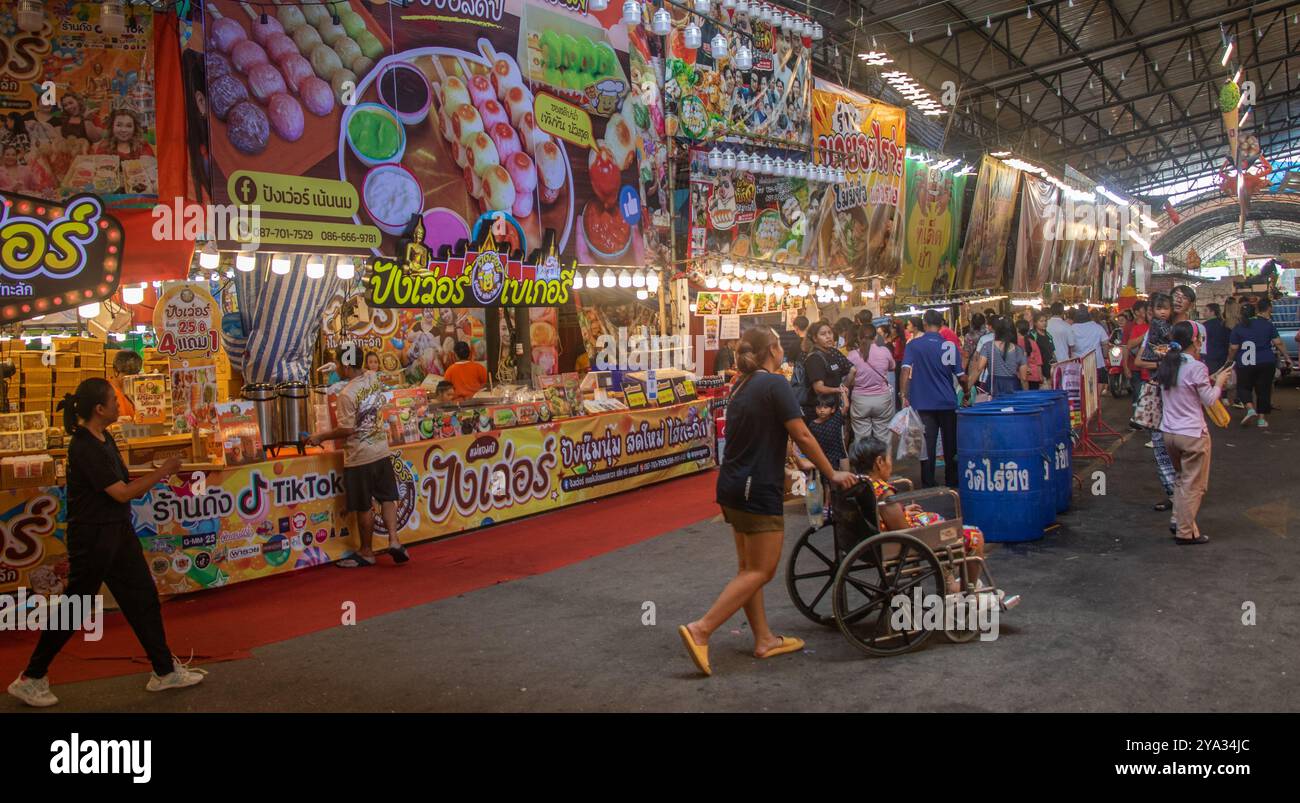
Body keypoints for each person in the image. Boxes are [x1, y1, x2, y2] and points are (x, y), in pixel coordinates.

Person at [8, 380, 207, 707]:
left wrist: (154, 470)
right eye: (115, 400)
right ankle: (31, 677)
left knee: (142, 597)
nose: (120, 404)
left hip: (118, 531)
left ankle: (164, 669)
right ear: (99, 409)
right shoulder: (83, 446)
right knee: (77, 606)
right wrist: (165, 471)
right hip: (93, 536)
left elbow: (124, 480)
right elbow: (121, 492)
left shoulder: (105, 438)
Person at [679, 327, 855, 676]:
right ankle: (701, 629)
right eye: (778, 345)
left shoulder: (742, 384)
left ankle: (763, 639)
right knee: (763, 569)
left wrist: (798, 461)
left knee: (749, 570)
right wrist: (830, 472)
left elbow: (768, 429)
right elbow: (801, 432)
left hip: (731, 485)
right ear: (773, 350)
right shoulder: (774, 383)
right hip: (755, 487)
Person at [306, 347, 410, 567]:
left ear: (345, 365)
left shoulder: (346, 395)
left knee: (364, 505)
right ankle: (394, 540)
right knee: (387, 497)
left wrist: (320, 436)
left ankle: (366, 552)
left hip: (360, 455)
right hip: (381, 448)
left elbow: (347, 429)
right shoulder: (373, 377)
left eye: (338, 364)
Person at [1157, 322, 1230, 544]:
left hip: (1169, 433)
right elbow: (1209, 399)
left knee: (1181, 479)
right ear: (1195, 341)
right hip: (1192, 434)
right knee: (1194, 485)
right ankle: (1185, 532)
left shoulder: (1168, 364)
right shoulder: (1196, 367)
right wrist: (1219, 383)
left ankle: (1178, 520)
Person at [901, 310, 967, 488]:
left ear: (924, 323)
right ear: (941, 325)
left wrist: (903, 393)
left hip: (923, 403)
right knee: (950, 443)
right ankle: (952, 479)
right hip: (947, 402)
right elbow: (960, 376)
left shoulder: (914, 345)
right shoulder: (950, 346)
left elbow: (905, 370)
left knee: (927, 445)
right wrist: (967, 392)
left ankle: (928, 481)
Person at [1226, 300, 1288, 428]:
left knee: (1243, 387)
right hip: (1266, 362)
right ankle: (1261, 420)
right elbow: (1278, 342)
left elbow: (1233, 347)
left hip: (1245, 363)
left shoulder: (1238, 327)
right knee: (1263, 390)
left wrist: (1230, 360)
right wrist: (1287, 357)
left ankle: (1250, 409)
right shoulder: (1267, 325)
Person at [847, 321, 895, 443]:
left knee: (862, 439)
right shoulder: (884, 351)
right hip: (882, 399)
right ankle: (882, 461)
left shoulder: (852, 355)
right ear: (875, 337)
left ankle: (865, 462)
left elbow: (847, 377)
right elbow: (892, 367)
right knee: (883, 437)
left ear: (859, 337)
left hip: (860, 400)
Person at [801, 320, 854, 419]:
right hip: (820, 412)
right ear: (815, 338)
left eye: (830, 333)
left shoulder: (830, 353)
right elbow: (818, 388)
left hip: (833, 408)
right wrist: (838, 390)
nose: (828, 336)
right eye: (823, 334)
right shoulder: (815, 358)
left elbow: (849, 372)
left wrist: (842, 388)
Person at [970, 318, 1028, 398]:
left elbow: (979, 369)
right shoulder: (1019, 350)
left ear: (997, 331)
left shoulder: (988, 346)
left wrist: (967, 389)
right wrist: (1026, 395)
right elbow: (1024, 377)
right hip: (1013, 386)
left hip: (994, 386)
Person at [1069, 307, 1109, 389]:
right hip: (1096, 362)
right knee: (1098, 383)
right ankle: (1095, 400)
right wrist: (1105, 356)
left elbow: (1069, 345)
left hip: (1077, 363)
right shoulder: (1097, 327)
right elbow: (1105, 343)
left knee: (1080, 386)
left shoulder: (1071, 328)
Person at [807, 393, 847, 471]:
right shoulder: (812, 425)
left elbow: (846, 406)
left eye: (825, 407)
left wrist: (843, 393)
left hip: (837, 455)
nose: (822, 410)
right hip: (822, 456)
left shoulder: (836, 419)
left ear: (833, 409)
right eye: (819, 407)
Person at [109, 348, 142, 419]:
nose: (131, 378)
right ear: (115, 371)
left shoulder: (137, 390)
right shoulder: (106, 392)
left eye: (135, 373)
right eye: (127, 374)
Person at [1202, 303, 1230, 374]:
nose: (1203, 313)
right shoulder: (1224, 324)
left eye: (1205, 311)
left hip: (1210, 358)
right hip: (1223, 357)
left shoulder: (1205, 326)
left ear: (1212, 312)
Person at [1017, 319, 1044, 389]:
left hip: (1020, 376)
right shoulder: (1033, 342)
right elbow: (1038, 362)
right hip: (1034, 375)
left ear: (1017, 329)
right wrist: (1040, 376)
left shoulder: (1014, 343)